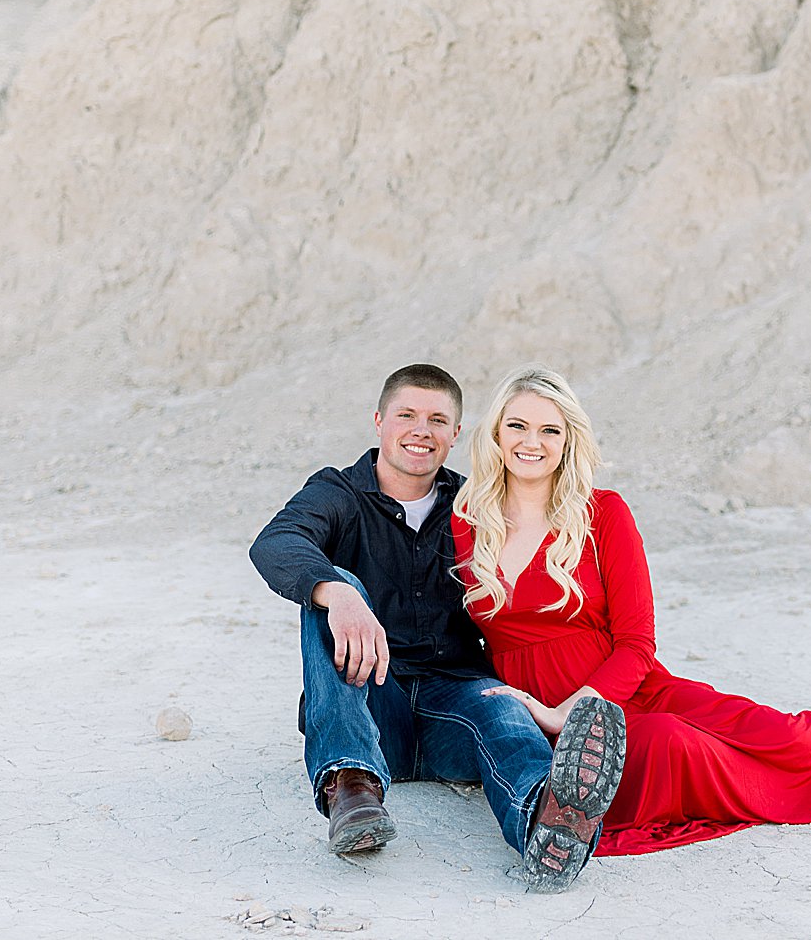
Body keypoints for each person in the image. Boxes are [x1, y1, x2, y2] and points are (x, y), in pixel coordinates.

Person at [451, 366, 811, 855]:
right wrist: (538, 716)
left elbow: (637, 644)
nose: (533, 441)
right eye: (518, 425)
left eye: (550, 429)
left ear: (569, 440)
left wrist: (571, 711)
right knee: (675, 745)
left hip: (620, 688)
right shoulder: (465, 520)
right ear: (496, 434)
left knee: (776, 734)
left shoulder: (603, 514)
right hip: (533, 715)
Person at [248, 363, 627, 891]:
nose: (420, 431)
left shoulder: (476, 507)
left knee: (504, 708)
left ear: (456, 435)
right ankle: (351, 786)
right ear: (379, 421)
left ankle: (546, 823)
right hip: (369, 706)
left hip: (455, 701)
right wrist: (338, 593)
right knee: (327, 585)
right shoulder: (337, 492)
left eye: (437, 420)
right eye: (406, 415)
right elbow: (275, 542)